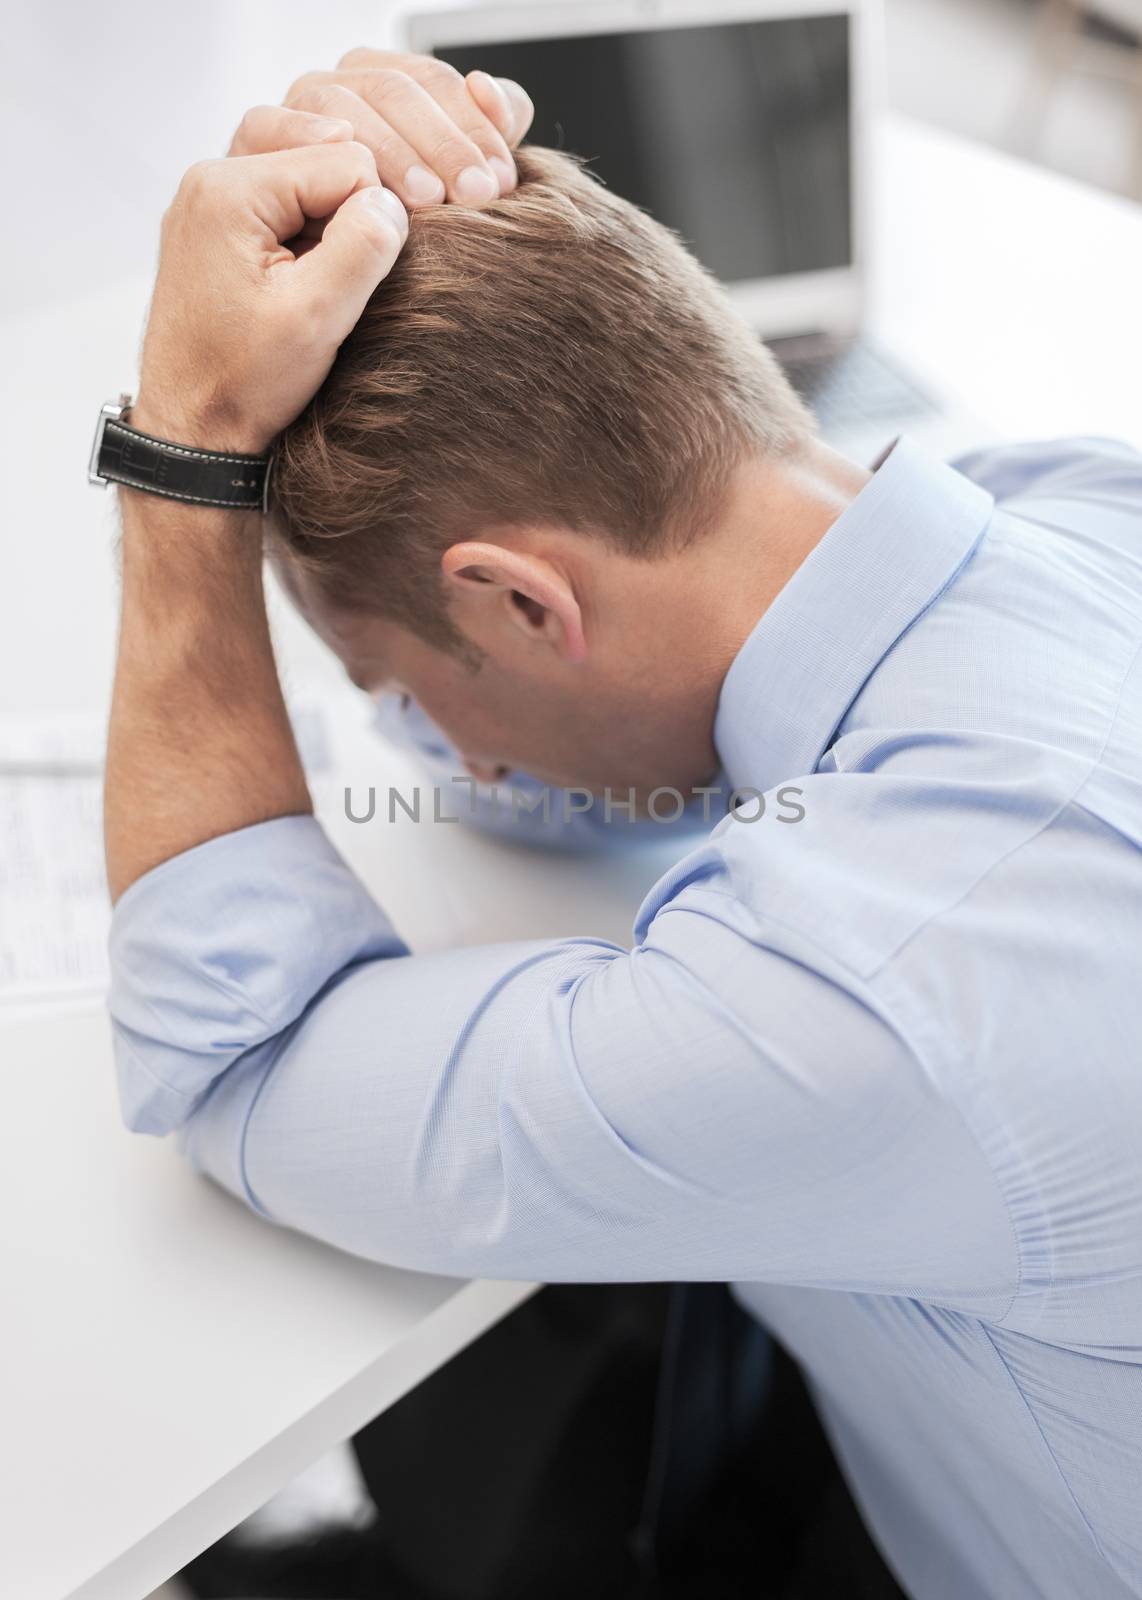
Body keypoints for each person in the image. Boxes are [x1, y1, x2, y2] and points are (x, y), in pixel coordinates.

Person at [101, 47, 1142, 1600]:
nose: (431, 749)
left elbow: (228, 1054)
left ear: (521, 601)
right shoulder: (1065, 501)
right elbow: (621, 759)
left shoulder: (876, 995)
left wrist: (181, 449)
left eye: (393, 687)